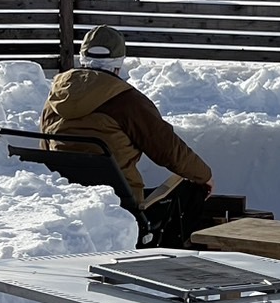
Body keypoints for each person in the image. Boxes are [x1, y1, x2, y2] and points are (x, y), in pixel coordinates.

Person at [40, 24, 214, 242]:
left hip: (69, 197)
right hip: (121, 203)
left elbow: (45, 148)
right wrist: (204, 176)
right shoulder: (127, 101)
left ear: (82, 57)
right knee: (192, 187)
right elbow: (168, 149)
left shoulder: (56, 98)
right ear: (118, 64)